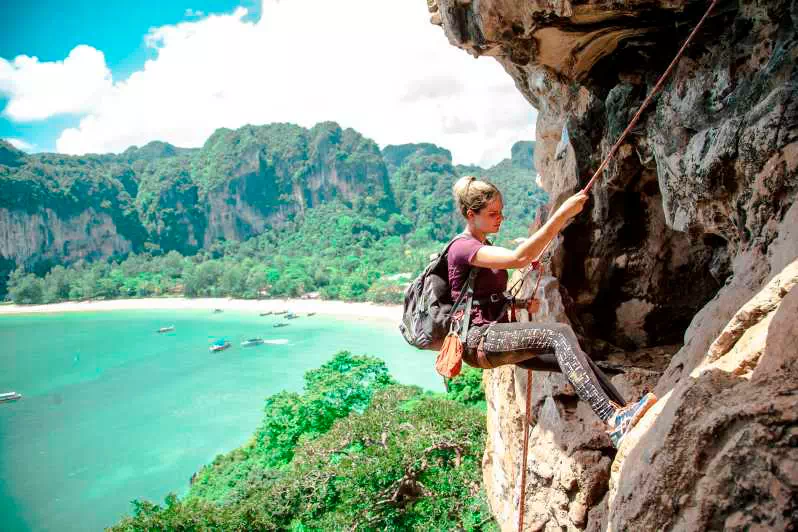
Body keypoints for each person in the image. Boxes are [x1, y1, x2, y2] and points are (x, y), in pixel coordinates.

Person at [448, 175, 656, 448]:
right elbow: (516, 258)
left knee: (574, 357)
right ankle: (613, 418)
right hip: (479, 340)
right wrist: (561, 215)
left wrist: (520, 304)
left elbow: (487, 298)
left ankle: (621, 413)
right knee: (559, 334)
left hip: (491, 337)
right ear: (470, 215)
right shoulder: (462, 247)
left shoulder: (483, 247)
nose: (500, 218)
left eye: (501, 212)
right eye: (492, 214)